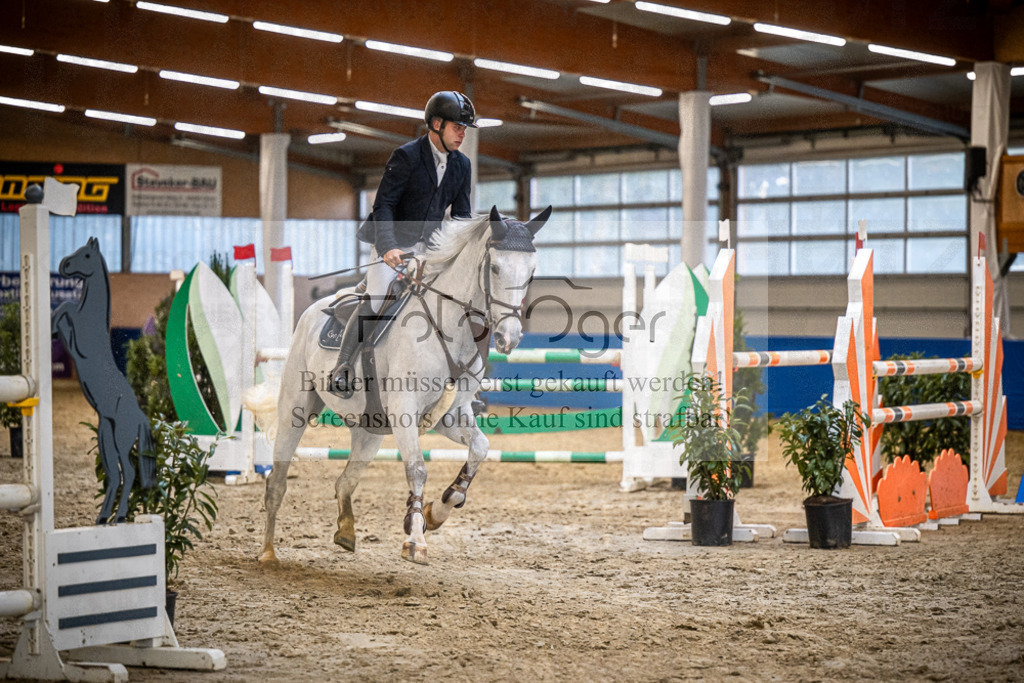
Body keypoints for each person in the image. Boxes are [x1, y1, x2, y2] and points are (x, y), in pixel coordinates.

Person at [331, 90, 478, 395]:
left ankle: (457, 379)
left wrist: (458, 255)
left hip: (429, 248)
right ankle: (342, 366)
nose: (462, 134)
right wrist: (387, 247)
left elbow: (461, 216)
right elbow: (383, 204)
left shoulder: (462, 165)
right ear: (436, 124)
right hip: (392, 241)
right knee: (378, 297)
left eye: (464, 129)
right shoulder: (407, 156)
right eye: (457, 127)